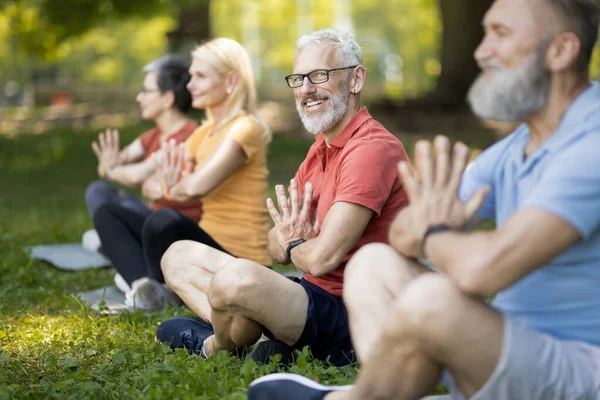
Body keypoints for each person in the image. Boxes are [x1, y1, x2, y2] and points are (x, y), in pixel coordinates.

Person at [246, 0, 600, 399]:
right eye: (484, 34)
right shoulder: (521, 142)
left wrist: (432, 233)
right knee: (372, 264)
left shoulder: (590, 145)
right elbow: (402, 232)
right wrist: (429, 229)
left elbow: (481, 270)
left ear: (561, 50)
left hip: (580, 370)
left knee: (432, 296)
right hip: (513, 343)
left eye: (500, 34)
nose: (482, 51)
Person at [155, 29, 411, 367]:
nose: (306, 89)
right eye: (299, 79)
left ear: (355, 80)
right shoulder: (321, 147)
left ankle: (217, 345)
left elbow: (320, 258)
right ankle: (257, 334)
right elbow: (272, 243)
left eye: (320, 75)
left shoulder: (370, 149)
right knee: (177, 256)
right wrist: (292, 243)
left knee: (234, 281)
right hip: (308, 294)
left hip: (350, 314)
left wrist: (293, 244)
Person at [94, 38, 272, 311]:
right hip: (204, 246)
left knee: (163, 220)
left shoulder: (245, 128)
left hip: (239, 258)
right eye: (190, 77)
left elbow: (197, 186)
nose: (189, 86)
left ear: (230, 81)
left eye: (200, 76)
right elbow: (149, 183)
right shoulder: (202, 133)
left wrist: (171, 185)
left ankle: (163, 286)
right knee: (108, 212)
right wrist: (171, 184)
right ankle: (145, 288)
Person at [84, 55, 201, 291]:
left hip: (175, 227)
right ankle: (116, 243)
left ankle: (115, 245)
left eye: (146, 91)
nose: (139, 97)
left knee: (105, 207)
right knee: (99, 191)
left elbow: (136, 175)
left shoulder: (187, 136)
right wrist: (112, 166)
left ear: (167, 98)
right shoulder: (154, 135)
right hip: (151, 216)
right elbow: (123, 158)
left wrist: (110, 170)